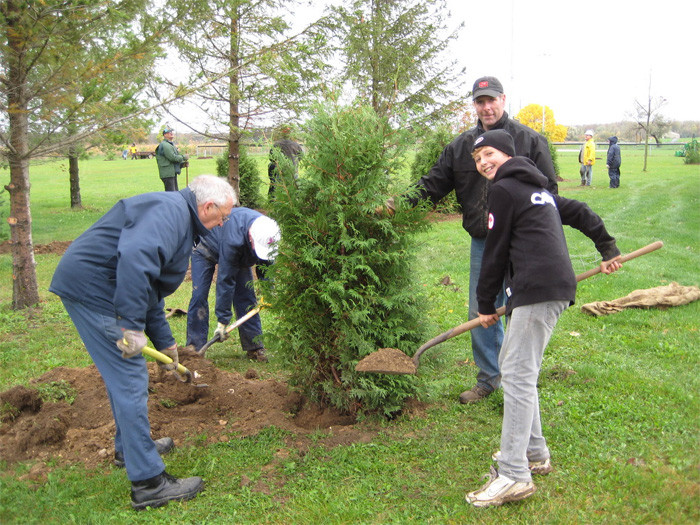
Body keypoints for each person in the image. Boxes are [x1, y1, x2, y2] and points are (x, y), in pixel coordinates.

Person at [49, 175, 235, 510]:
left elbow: (149, 286)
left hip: (105, 290)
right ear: (207, 206)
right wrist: (132, 329)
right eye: (222, 216)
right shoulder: (169, 214)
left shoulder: (179, 218)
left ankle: (128, 449)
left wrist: (165, 344)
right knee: (131, 375)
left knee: (124, 377)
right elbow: (136, 263)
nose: (223, 223)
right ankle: (149, 483)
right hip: (94, 292)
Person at [464, 130, 622, 507]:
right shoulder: (538, 190)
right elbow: (581, 212)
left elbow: (495, 251)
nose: (483, 162)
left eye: (489, 154)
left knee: (516, 374)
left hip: (537, 287)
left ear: (506, 153)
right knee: (517, 367)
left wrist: (485, 304)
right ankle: (534, 454)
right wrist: (607, 246)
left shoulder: (503, 190)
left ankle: (514, 475)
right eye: (477, 159)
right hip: (549, 286)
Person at [402, 76, 558, 404]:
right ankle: (489, 378)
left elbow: (550, 193)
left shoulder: (529, 140)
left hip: (523, 244)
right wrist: (398, 204)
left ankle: (522, 377)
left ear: (503, 99)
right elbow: (433, 184)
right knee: (481, 310)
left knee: (523, 310)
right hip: (484, 242)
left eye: (491, 100)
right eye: (479, 101)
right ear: (474, 104)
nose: (486, 107)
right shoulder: (461, 147)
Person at [186, 207, 280, 362]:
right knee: (199, 295)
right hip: (206, 247)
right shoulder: (234, 240)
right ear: (251, 238)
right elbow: (226, 280)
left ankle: (254, 346)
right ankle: (194, 350)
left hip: (240, 252)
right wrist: (223, 320)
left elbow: (266, 264)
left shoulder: (267, 232)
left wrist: (268, 290)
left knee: (246, 295)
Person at [156, 127, 188, 191]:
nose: (171, 133)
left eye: (171, 132)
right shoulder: (165, 145)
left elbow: (172, 161)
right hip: (167, 174)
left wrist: (182, 164)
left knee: (175, 193)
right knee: (172, 195)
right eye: (169, 132)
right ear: (165, 135)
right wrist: (184, 157)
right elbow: (173, 158)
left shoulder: (170, 144)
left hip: (171, 173)